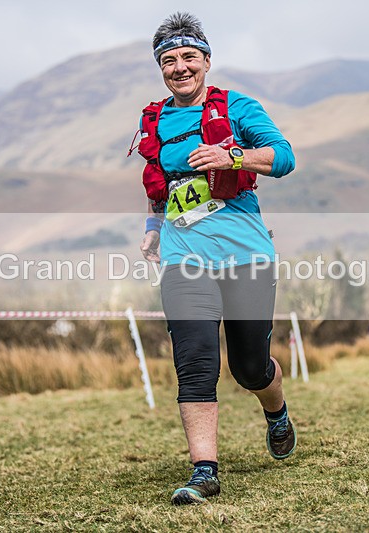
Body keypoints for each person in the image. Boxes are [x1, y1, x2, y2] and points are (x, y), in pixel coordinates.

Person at [134, 12, 296, 505]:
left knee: (249, 367)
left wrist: (234, 157)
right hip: (184, 259)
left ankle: (277, 411)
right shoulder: (155, 119)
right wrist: (152, 227)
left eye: (188, 57)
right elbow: (160, 187)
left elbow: (284, 157)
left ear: (206, 60)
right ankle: (204, 471)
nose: (179, 68)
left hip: (245, 255)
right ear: (161, 68)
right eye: (168, 61)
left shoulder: (239, 107)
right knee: (196, 363)